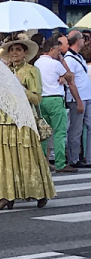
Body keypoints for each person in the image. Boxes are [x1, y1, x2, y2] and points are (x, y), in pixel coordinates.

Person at [0, 34, 56, 210]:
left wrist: (20, 88)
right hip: (2, 120)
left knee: (28, 158)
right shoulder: (3, 72)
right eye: (11, 50)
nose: (14, 53)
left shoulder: (32, 71)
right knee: (3, 161)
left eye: (18, 49)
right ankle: (5, 196)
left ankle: (38, 191)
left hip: (23, 120)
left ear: (25, 52)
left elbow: (37, 98)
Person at [35, 37, 77, 173]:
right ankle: (60, 163)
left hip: (41, 99)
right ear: (52, 49)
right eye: (58, 51)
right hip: (55, 98)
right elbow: (70, 76)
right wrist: (63, 65)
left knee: (44, 133)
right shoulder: (55, 64)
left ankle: (42, 162)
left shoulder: (37, 63)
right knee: (59, 132)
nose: (58, 54)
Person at [64, 30, 91, 168]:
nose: (84, 41)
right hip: (78, 98)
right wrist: (78, 100)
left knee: (88, 127)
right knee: (76, 130)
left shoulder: (79, 57)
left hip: (87, 96)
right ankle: (74, 158)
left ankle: (88, 157)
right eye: (82, 38)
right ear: (77, 40)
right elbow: (71, 82)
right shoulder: (69, 58)